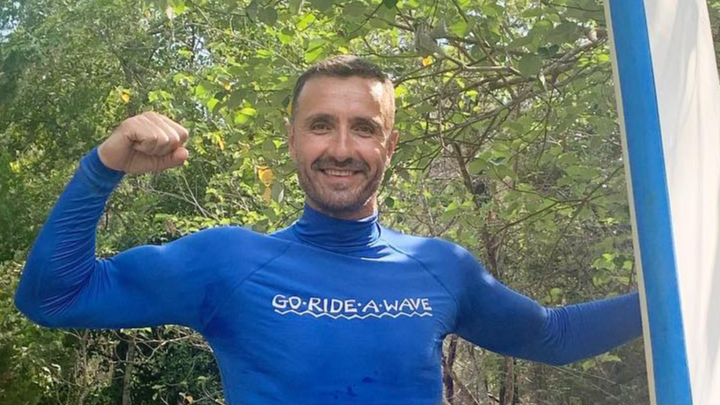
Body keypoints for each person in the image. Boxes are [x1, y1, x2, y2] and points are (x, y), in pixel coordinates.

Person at [14, 55, 642, 404]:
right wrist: (102, 168)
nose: (341, 148)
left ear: (389, 145)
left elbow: (555, 336)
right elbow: (54, 298)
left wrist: (679, 292)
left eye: (364, 128)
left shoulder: (442, 268)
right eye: (321, 126)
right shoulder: (227, 262)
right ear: (292, 139)